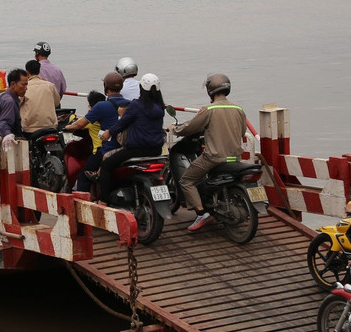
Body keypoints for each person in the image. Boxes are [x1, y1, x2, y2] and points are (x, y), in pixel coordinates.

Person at [173, 73, 246, 232]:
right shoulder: (238, 109)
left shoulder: (209, 109)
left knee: (186, 180)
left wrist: (175, 129)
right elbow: (242, 132)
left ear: (210, 91)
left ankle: (201, 213)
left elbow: (191, 127)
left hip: (214, 158)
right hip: (235, 158)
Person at [96, 73, 167, 201]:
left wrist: (108, 133)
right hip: (156, 150)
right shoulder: (160, 107)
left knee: (106, 165)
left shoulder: (136, 105)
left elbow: (122, 123)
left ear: (141, 89)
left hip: (136, 150)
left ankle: (103, 201)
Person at [64, 74, 124, 191]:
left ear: (106, 87)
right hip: (124, 148)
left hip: (105, 150)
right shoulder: (130, 103)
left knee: (83, 178)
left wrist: (67, 127)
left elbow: (79, 125)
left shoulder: (101, 106)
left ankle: (82, 203)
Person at [20, 59, 62, 133]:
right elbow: (57, 103)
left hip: (29, 128)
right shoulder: (50, 86)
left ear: (26, 72)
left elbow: (18, 103)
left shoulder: (24, 87)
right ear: (39, 71)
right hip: (51, 126)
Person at [0, 68, 28, 144]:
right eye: (23, 85)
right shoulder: (10, 101)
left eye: (26, 85)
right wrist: (7, 134)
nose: (26, 88)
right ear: (13, 84)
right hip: (13, 143)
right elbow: (4, 122)